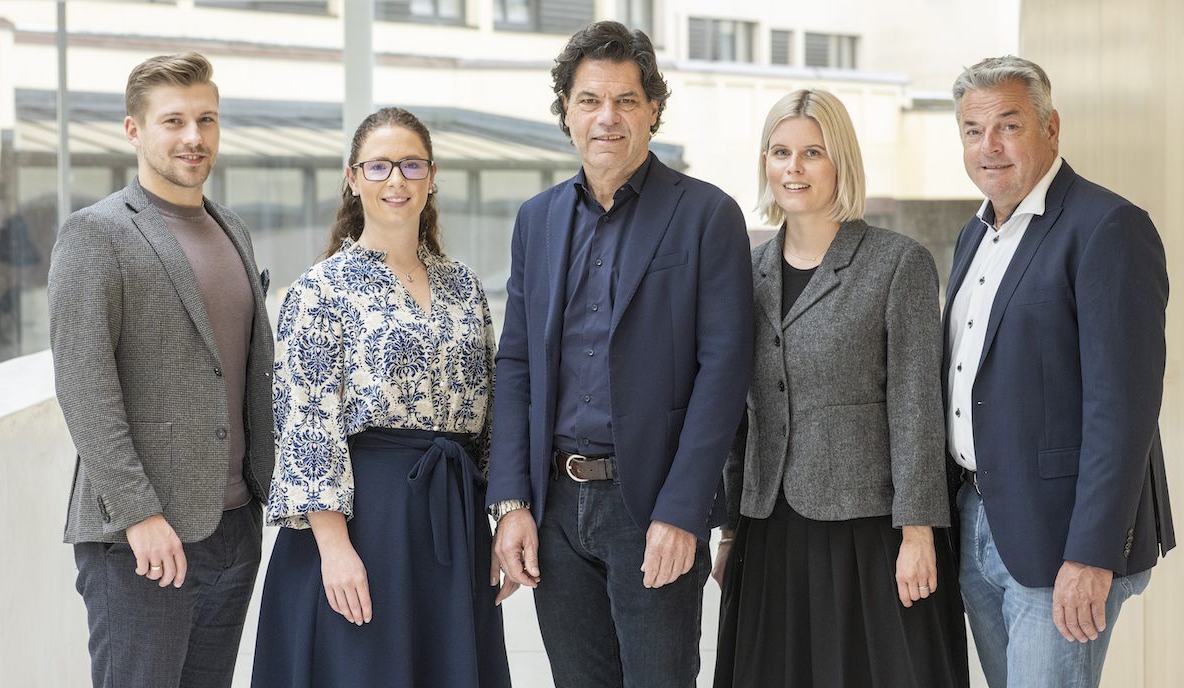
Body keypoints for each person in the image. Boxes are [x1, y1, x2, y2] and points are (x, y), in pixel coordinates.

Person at [486, 20, 754, 688]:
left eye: (626, 100)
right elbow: (515, 363)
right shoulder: (536, 221)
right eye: (589, 100)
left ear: (652, 111)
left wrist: (683, 510)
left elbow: (724, 372)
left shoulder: (706, 216)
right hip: (554, 507)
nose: (607, 117)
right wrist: (512, 500)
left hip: (652, 507)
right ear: (567, 113)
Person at [711, 89, 969, 688]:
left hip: (867, 534)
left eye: (812, 153)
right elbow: (738, 416)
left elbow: (915, 409)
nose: (793, 169)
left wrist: (919, 533)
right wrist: (729, 530)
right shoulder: (745, 273)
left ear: (841, 163)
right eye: (780, 152)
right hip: (768, 529)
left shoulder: (896, 264)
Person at [251, 106, 510, 688]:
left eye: (411, 165)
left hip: (452, 521)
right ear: (353, 178)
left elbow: (492, 410)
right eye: (379, 166)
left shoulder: (464, 284)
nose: (397, 180)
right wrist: (334, 548)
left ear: (432, 176)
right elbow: (306, 422)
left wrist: (500, 518)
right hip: (363, 522)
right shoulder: (321, 288)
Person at [944, 56, 1175, 688]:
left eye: (1008, 125)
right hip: (980, 520)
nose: (988, 146)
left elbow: (1123, 410)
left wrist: (1090, 555)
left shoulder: (1108, 228)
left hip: (1060, 540)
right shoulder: (975, 235)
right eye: (972, 130)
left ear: (1051, 127)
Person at [49, 52, 275, 688]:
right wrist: (139, 515)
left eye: (206, 119)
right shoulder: (96, 234)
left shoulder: (232, 229)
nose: (193, 137)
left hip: (232, 529)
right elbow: (84, 390)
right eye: (173, 120)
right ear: (134, 130)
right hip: (141, 545)